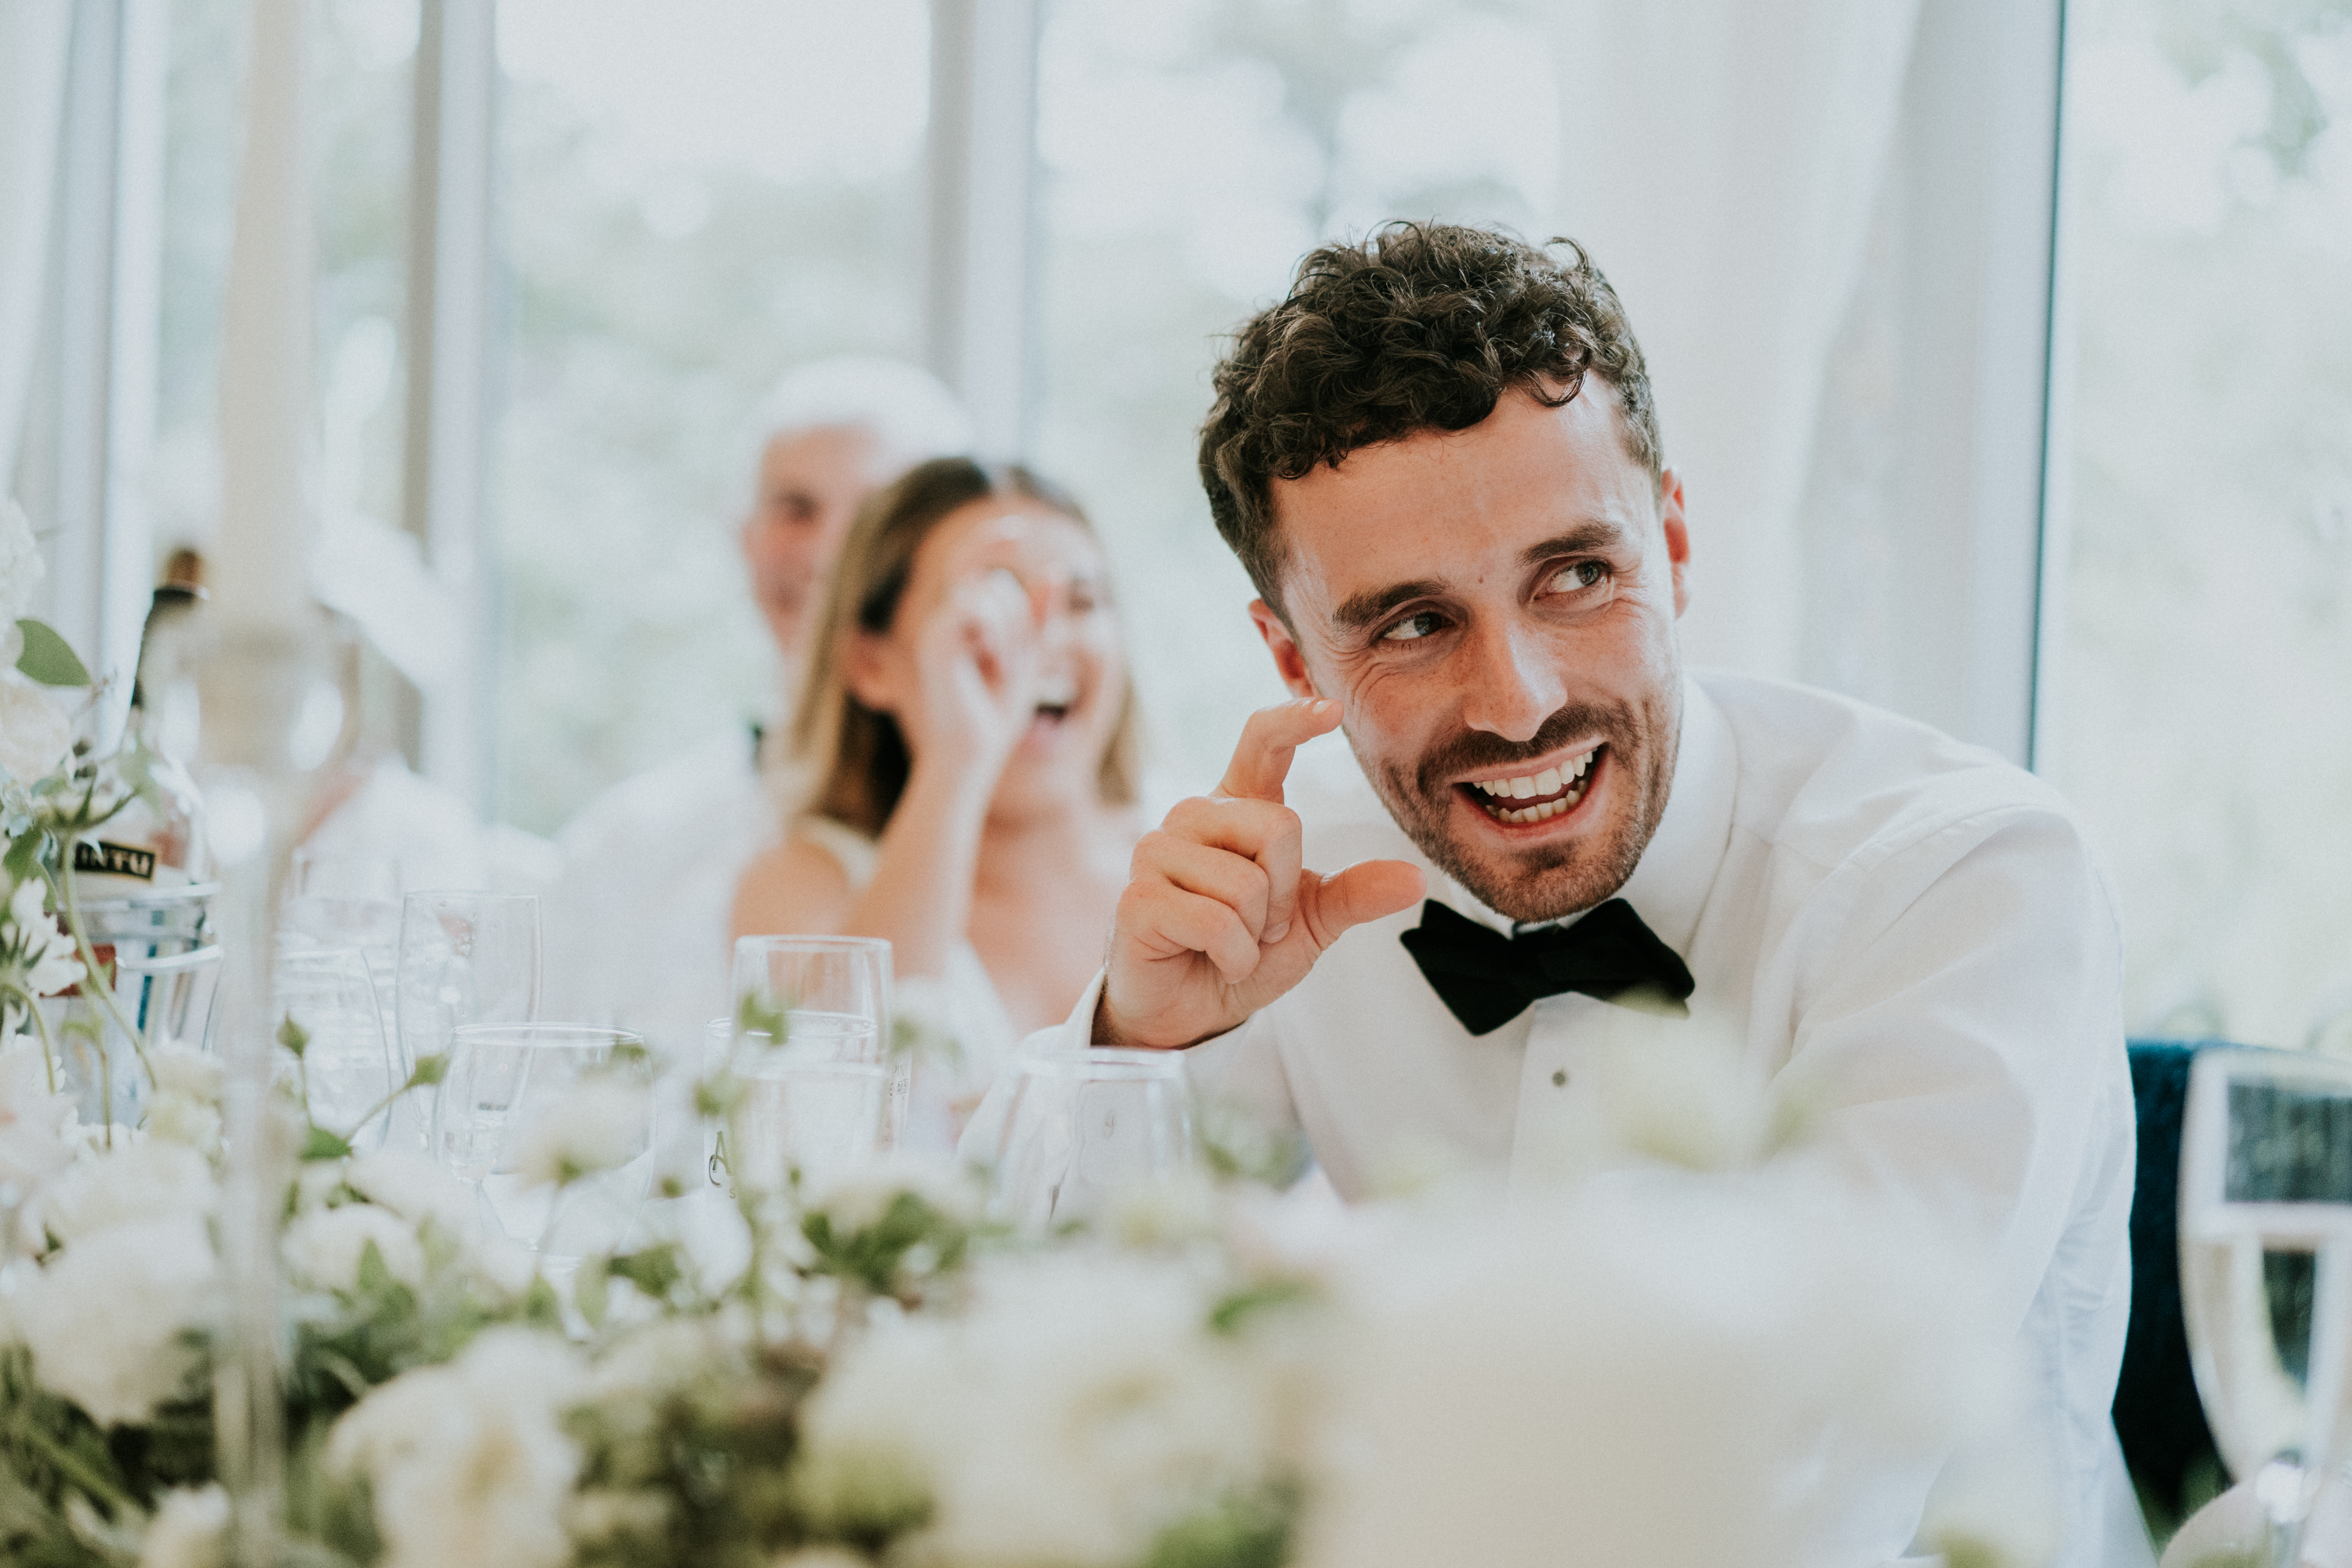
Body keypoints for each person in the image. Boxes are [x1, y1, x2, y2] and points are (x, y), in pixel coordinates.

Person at [990, 224, 2143, 1565]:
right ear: (1292, 655)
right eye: (1413, 623)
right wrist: (1137, 1040)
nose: (1519, 701)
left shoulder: (1964, 883)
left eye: (1576, 577)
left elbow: (1800, 1480)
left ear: (1674, 545)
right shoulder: (1297, 874)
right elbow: (1004, 1350)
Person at [544, 358, 972, 1060]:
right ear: (743, 538)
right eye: (796, 509)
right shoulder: (629, 840)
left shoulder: (1015, 820)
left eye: (872, 516)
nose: (829, 550)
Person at [730, 458, 1145, 1143]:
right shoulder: (804, 886)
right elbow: (812, 1142)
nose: (1041, 642)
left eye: (1080, 603)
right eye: (995, 605)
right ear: (871, 664)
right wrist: (958, 762)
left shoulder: (1188, 857)